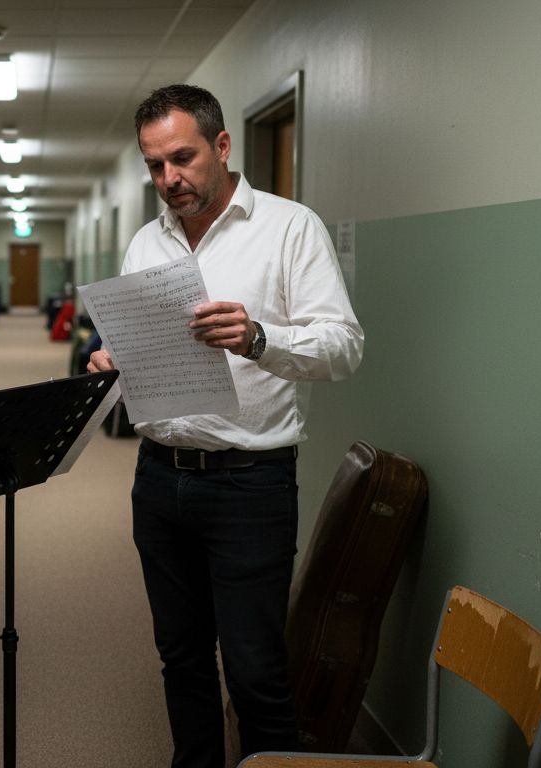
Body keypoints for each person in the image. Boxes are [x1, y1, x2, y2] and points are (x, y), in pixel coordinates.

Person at [88, 84, 364, 765]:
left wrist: (259, 338)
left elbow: (344, 347)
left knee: (255, 671)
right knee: (180, 660)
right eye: (154, 165)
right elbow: (142, 360)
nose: (168, 179)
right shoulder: (145, 244)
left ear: (222, 145)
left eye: (181, 158)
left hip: (250, 484)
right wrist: (112, 363)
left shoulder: (290, 227)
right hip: (159, 478)